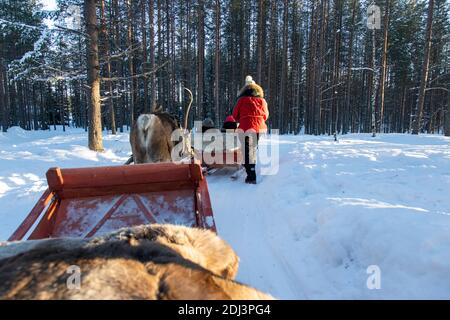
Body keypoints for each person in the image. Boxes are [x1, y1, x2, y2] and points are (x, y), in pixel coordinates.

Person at [232, 76, 269, 184]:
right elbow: (266, 115)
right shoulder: (262, 100)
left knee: (247, 150)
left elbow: (235, 115)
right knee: (252, 149)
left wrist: (242, 118)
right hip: (259, 128)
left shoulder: (241, 100)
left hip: (246, 127)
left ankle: (251, 175)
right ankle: (248, 164)